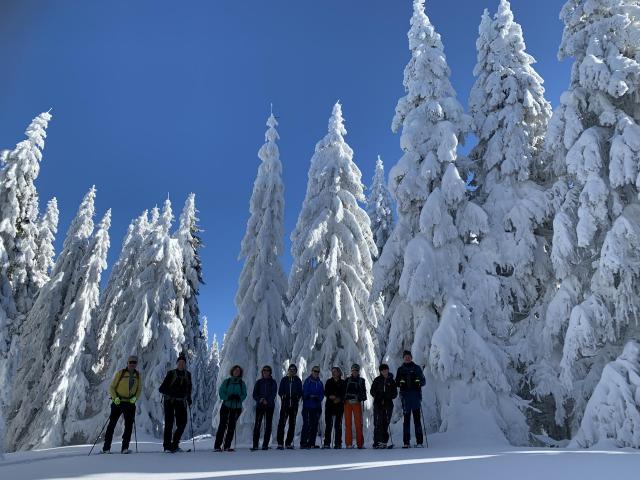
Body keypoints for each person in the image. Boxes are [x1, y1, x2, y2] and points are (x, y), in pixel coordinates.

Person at [102, 355, 142, 454]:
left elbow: (139, 389)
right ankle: (106, 448)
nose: (132, 364)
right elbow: (111, 387)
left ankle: (125, 448)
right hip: (118, 402)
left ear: (136, 364)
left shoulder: (138, 375)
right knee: (112, 425)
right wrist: (115, 398)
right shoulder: (121, 373)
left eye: (134, 362)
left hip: (130, 403)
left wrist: (135, 398)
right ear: (127, 363)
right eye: (130, 362)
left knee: (128, 426)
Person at [158, 352, 192, 453]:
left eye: (183, 363)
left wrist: (189, 398)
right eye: (180, 362)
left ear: (185, 364)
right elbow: (162, 389)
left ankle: (175, 444)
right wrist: (173, 393)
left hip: (181, 402)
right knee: (169, 423)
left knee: (182, 423)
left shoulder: (188, 374)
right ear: (177, 363)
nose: (181, 364)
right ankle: (167, 446)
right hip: (170, 401)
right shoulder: (171, 373)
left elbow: (189, 388)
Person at [396, 351, 426, 448]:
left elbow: (423, 381)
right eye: (405, 357)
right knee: (406, 420)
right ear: (403, 358)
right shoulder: (400, 370)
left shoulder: (417, 368)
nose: (407, 358)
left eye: (408, 357)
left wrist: (418, 382)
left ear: (411, 357)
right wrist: (400, 382)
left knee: (417, 420)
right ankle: (406, 442)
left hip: (415, 397)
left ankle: (420, 442)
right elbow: (396, 382)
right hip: (405, 398)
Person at [214, 365, 247, 452]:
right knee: (222, 426)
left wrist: (239, 398)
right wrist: (228, 397)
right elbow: (221, 392)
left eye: (238, 371)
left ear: (240, 373)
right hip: (226, 406)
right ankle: (217, 446)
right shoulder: (227, 381)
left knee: (231, 426)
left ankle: (227, 446)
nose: (237, 372)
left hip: (236, 407)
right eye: (235, 370)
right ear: (232, 371)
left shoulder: (241, 383)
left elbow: (244, 394)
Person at [276, 364, 303, 450]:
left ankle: (288, 442)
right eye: (290, 369)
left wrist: (297, 396)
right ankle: (280, 442)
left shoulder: (297, 380)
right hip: (285, 404)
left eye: (294, 369)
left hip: (294, 404)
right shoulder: (284, 379)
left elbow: (300, 391)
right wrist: (284, 395)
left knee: (292, 423)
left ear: (296, 371)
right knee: (282, 423)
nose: (292, 371)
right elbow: (280, 391)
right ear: (288, 370)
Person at [370, 363, 397, 448]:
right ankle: (377, 442)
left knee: (385, 422)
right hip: (378, 403)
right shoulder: (377, 380)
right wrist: (378, 395)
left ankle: (384, 441)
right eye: (383, 370)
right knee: (377, 422)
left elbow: (395, 393)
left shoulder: (391, 380)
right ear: (380, 371)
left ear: (388, 370)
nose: (384, 371)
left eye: (386, 370)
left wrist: (387, 396)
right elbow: (372, 391)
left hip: (388, 404)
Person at [251, 365, 278, 451]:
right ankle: (255, 444)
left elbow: (274, 394)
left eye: (267, 370)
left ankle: (265, 444)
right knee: (258, 424)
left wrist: (267, 400)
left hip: (269, 406)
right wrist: (260, 399)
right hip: (260, 405)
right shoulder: (259, 382)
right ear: (262, 372)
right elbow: (254, 394)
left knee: (268, 425)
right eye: (264, 370)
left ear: (270, 372)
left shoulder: (273, 382)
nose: (266, 372)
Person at [343, 363, 367, 449]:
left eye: (356, 370)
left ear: (358, 371)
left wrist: (361, 397)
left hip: (356, 403)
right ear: (351, 371)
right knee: (348, 424)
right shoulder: (347, 380)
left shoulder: (361, 380)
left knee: (358, 424)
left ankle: (360, 444)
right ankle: (348, 444)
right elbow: (343, 391)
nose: (355, 372)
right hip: (347, 403)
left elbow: (364, 392)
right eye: (353, 370)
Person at [300, 366, 324, 449]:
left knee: (314, 425)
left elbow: (322, 394)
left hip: (316, 407)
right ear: (311, 371)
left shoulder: (320, 383)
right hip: (307, 406)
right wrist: (310, 396)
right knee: (306, 424)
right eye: (315, 371)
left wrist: (318, 398)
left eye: (317, 371)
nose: (316, 373)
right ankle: (303, 442)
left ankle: (311, 442)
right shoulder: (307, 381)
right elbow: (305, 392)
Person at [323, 366, 345, 449]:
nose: (333, 373)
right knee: (328, 425)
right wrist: (329, 396)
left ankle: (338, 443)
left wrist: (339, 398)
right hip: (329, 405)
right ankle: (327, 443)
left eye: (335, 371)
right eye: (332, 371)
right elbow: (325, 392)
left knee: (338, 425)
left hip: (339, 406)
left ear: (339, 373)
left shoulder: (343, 382)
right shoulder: (329, 381)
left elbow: (344, 393)